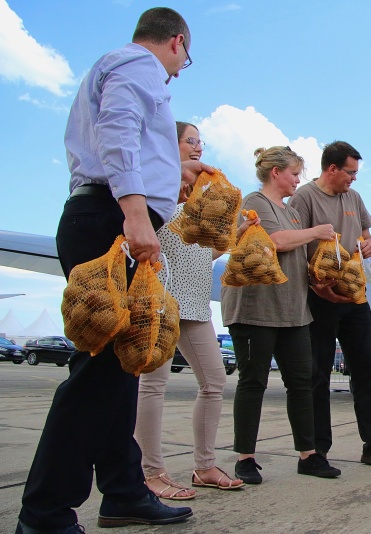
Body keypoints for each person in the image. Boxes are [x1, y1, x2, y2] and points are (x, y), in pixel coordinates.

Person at [17, 8, 201, 533]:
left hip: (102, 214)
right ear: (177, 42)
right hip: (111, 222)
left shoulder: (117, 66)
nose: (183, 67)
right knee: (97, 375)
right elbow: (118, 130)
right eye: (186, 57)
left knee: (121, 369)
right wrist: (138, 213)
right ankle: (45, 511)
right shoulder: (140, 66)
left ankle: (123, 491)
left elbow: (124, 139)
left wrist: (173, 169)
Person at [134, 122, 247, 501]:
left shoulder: (204, 196)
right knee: (153, 385)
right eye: (190, 140)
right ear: (171, 143)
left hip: (196, 302)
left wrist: (235, 238)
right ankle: (150, 472)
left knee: (215, 381)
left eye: (201, 141)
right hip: (161, 299)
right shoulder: (157, 188)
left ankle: (204, 467)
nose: (198, 147)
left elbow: (200, 253)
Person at [222, 146, 343, 483]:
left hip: (292, 311)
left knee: (303, 382)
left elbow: (295, 256)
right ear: (275, 173)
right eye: (293, 174)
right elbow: (276, 241)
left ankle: (309, 455)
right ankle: (245, 457)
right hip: (254, 309)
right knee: (253, 381)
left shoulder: (290, 212)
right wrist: (318, 231)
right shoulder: (254, 203)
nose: (297, 180)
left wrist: (323, 276)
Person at [288, 141, 371, 469]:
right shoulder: (304, 198)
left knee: (365, 369)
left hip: (355, 297)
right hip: (320, 298)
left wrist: (368, 245)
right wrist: (316, 285)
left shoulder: (353, 198)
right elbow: (295, 247)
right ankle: (316, 453)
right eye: (350, 173)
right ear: (331, 169)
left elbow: (367, 235)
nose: (354, 179)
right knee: (318, 373)